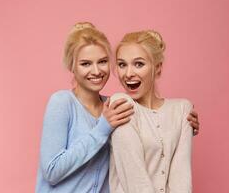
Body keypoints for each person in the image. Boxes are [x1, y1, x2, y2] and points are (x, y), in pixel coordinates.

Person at [35, 23, 199, 193]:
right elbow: (51, 171)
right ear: (72, 66)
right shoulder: (62, 102)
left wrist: (180, 125)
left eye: (103, 61)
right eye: (85, 64)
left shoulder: (115, 106)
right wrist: (102, 129)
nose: (96, 70)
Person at [109, 30, 194, 193]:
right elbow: (135, 181)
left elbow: (181, 179)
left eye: (139, 64)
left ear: (158, 68)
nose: (128, 74)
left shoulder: (182, 109)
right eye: (122, 64)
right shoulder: (121, 103)